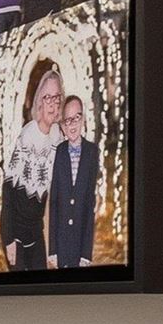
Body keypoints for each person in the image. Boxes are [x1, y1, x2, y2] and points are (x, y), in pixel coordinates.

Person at [0, 63, 59, 271]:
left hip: (36, 231)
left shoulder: (58, 137)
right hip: (15, 231)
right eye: (47, 97)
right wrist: (8, 239)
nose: (52, 104)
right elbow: (7, 186)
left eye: (56, 97)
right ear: (39, 102)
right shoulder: (27, 135)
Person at [48, 91, 99, 268]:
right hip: (61, 242)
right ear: (62, 125)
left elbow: (89, 204)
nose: (72, 124)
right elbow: (54, 202)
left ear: (83, 119)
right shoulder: (59, 152)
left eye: (76, 118)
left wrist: (86, 253)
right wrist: (53, 249)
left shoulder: (92, 152)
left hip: (80, 240)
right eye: (67, 120)